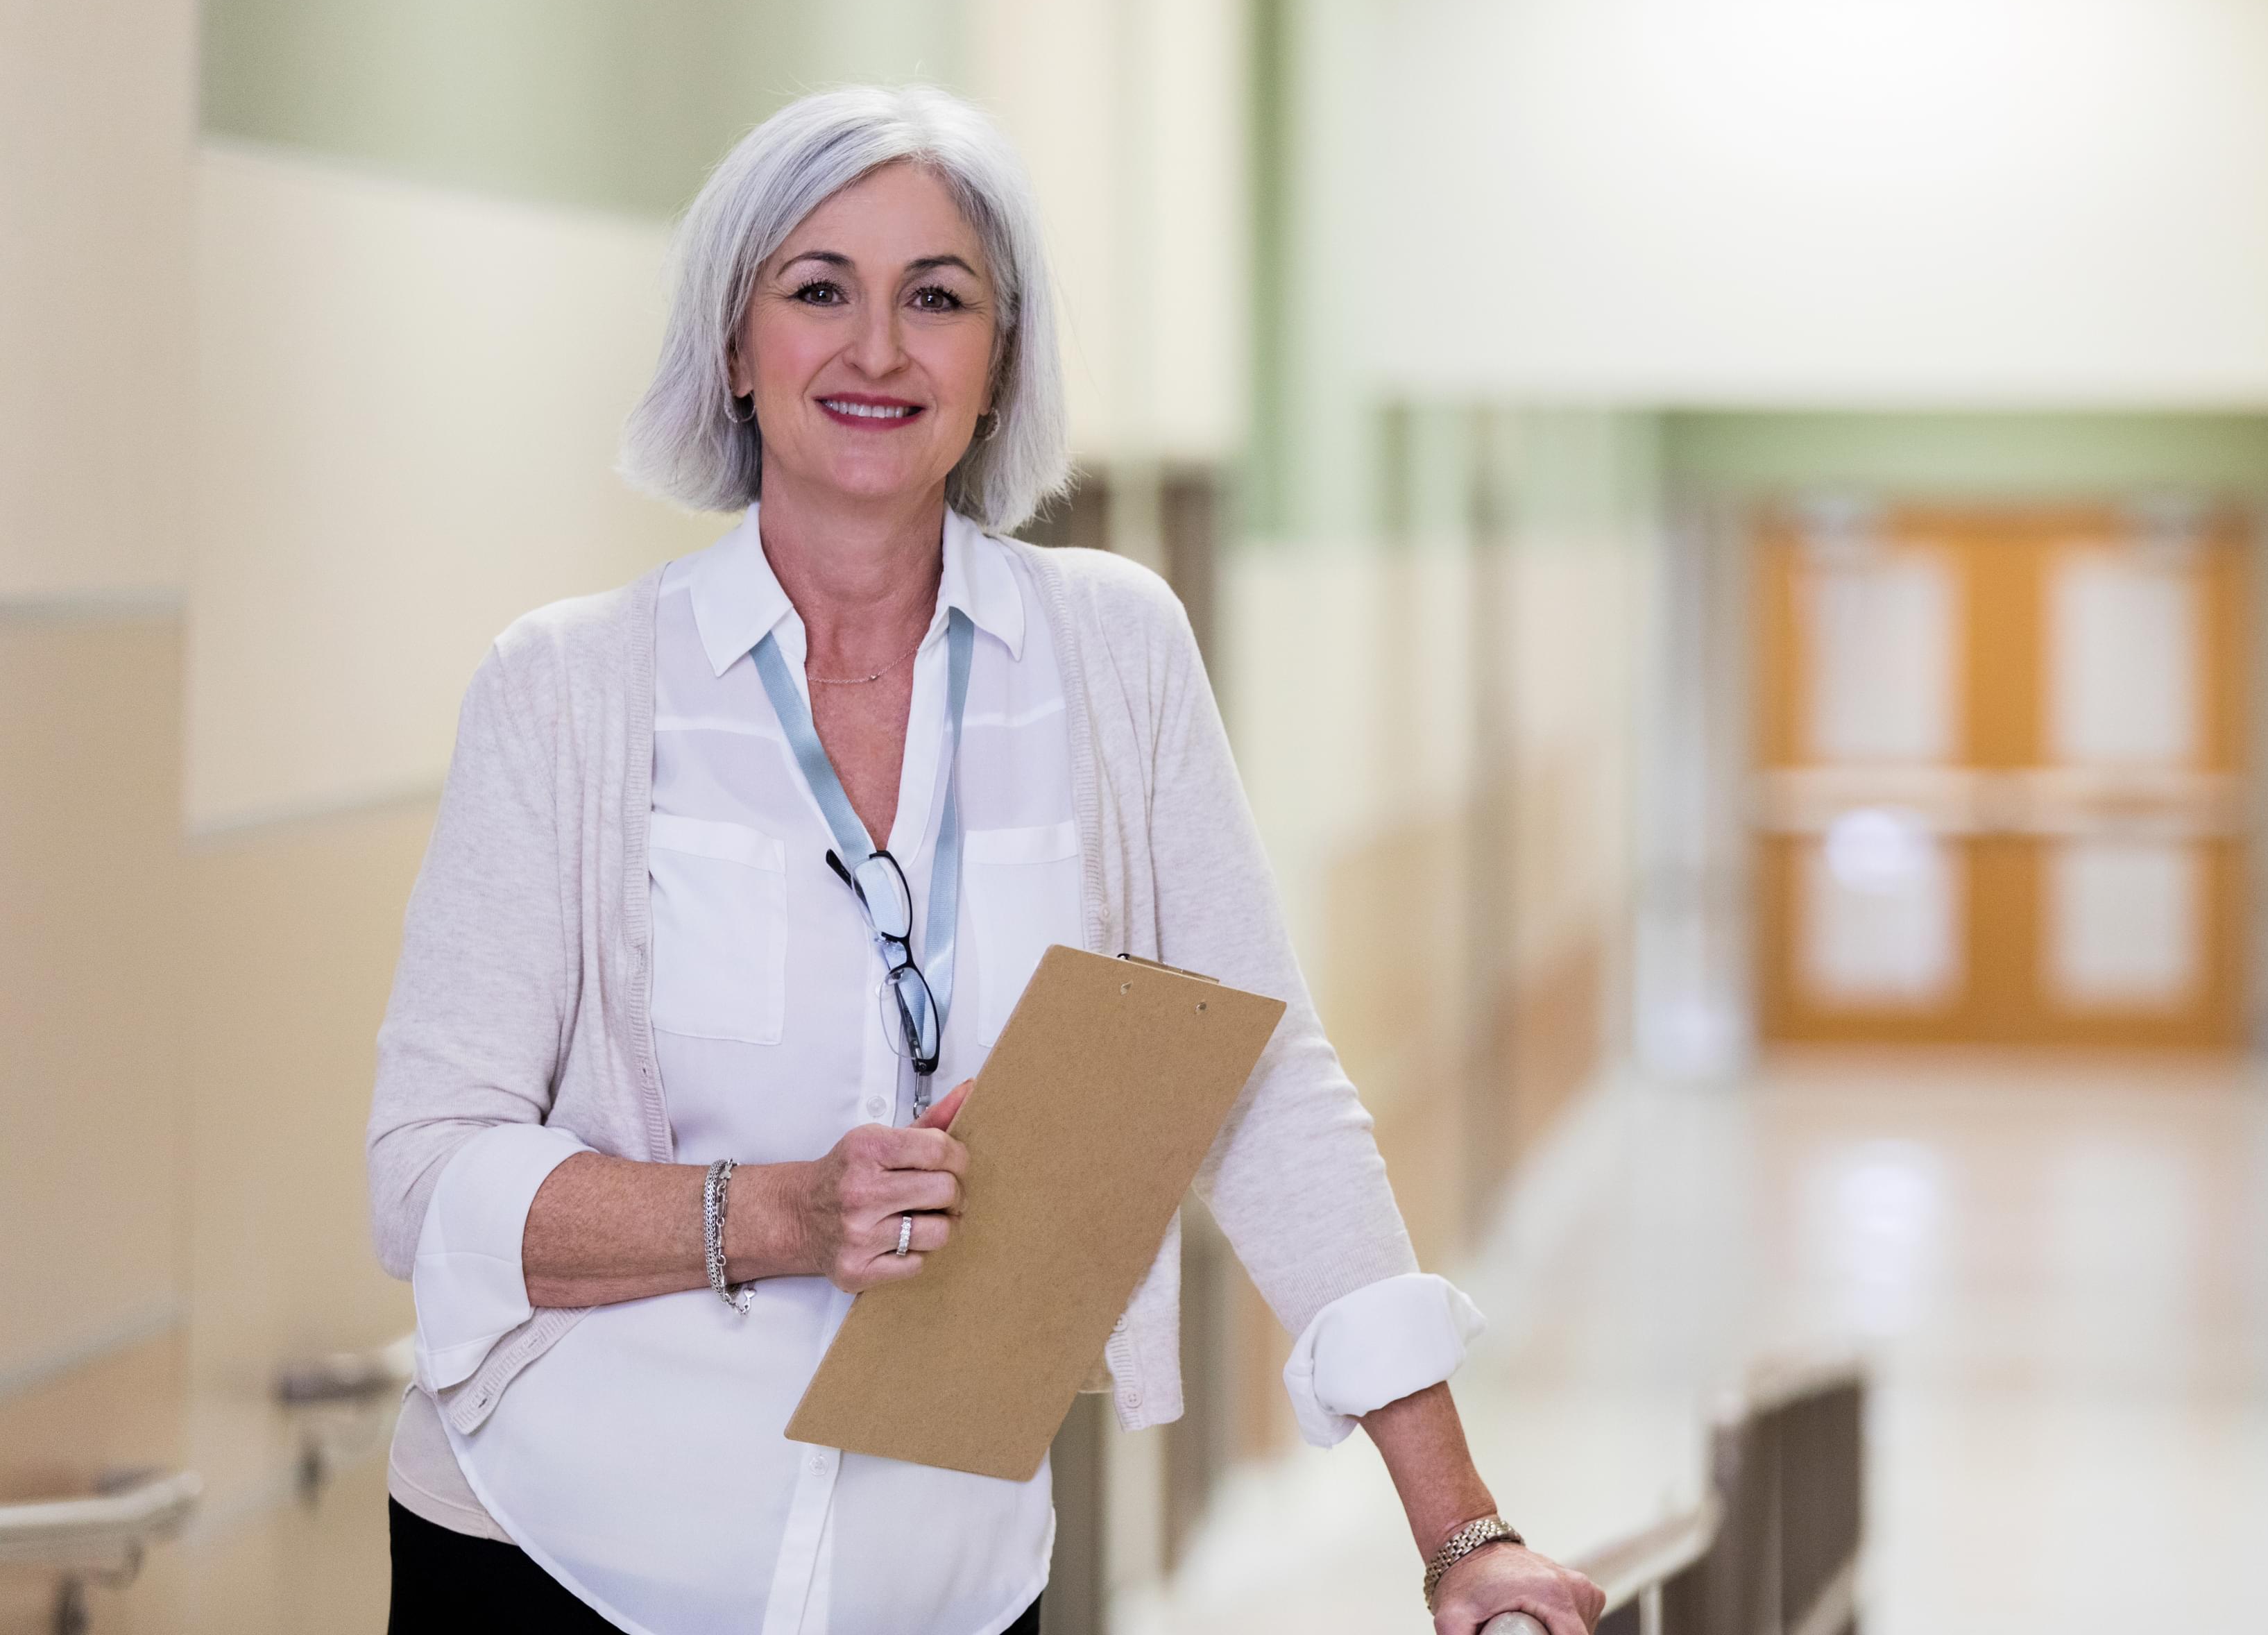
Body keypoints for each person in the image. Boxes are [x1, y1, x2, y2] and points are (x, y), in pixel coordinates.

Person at [366, 84, 1603, 1635]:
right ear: (735, 349)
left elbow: (1263, 1083)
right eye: (818, 290)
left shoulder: (1110, 652)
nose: (876, 349)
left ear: (998, 360)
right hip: (553, 1559)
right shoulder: (569, 689)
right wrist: (785, 1214)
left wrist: (1461, 1532)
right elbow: (423, 1174)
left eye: (936, 298)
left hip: (944, 1585)